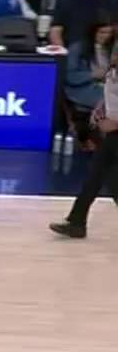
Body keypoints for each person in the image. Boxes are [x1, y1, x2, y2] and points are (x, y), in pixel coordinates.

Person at [53, 47, 118, 239]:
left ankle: (77, 222)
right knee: (94, 178)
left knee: (112, 181)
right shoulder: (112, 71)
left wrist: (115, 122)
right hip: (112, 135)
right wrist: (101, 108)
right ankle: (76, 222)